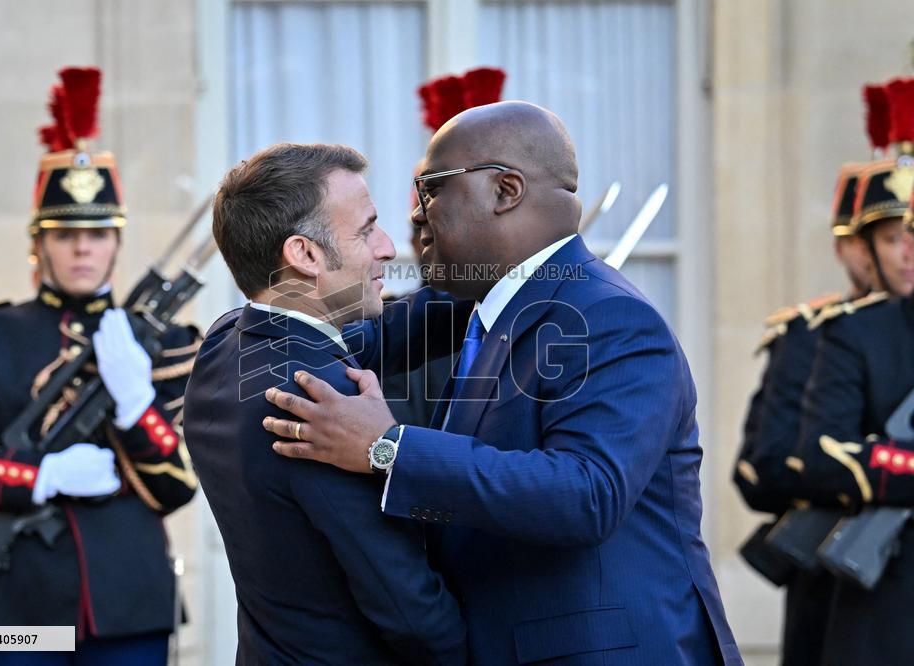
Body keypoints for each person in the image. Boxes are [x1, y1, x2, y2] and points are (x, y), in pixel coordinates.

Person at [262, 101, 742, 664]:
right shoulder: (478, 302)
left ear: (505, 191)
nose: (414, 215)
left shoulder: (610, 315)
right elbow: (316, 337)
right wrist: (238, 329)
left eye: (430, 189)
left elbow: (588, 495)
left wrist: (388, 448)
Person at [0, 67, 200, 665]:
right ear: (38, 243)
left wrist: (135, 405)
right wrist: (40, 477)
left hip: (129, 605)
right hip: (13, 609)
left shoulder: (165, 343)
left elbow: (176, 486)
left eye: (97, 233)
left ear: (116, 242)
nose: (82, 247)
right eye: (65, 232)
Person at [182, 143, 467, 664]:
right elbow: (405, 603)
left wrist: (505, 276)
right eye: (366, 230)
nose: (387, 248)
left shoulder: (227, 341)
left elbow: (390, 333)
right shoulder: (318, 401)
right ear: (305, 254)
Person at [793, 145, 914, 665]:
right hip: (892, 601)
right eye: (896, 239)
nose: (906, 252)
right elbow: (822, 452)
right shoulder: (858, 334)